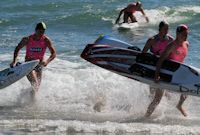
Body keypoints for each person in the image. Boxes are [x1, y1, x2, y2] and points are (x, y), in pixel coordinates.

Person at [145, 24, 189, 117]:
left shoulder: (186, 44)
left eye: (186, 34)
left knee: (187, 88)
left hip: (177, 72)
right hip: (166, 73)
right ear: (178, 33)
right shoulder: (172, 45)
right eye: (183, 34)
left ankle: (179, 105)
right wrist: (157, 75)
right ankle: (146, 116)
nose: (185, 36)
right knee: (157, 99)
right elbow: (160, 60)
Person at [10, 22, 56, 94]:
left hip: (39, 66)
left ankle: (29, 100)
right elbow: (17, 48)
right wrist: (14, 61)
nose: (41, 33)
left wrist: (47, 61)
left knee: (36, 88)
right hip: (28, 65)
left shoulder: (46, 40)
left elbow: (53, 53)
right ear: (36, 30)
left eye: (43, 32)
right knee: (35, 84)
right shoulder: (27, 39)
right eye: (40, 31)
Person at [142, 21, 173, 97]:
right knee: (152, 91)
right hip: (154, 65)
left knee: (163, 89)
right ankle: (150, 102)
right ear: (160, 28)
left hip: (165, 65)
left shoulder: (170, 40)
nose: (167, 30)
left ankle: (164, 102)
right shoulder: (152, 40)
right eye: (165, 28)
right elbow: (143, 53)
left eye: (168, 29)